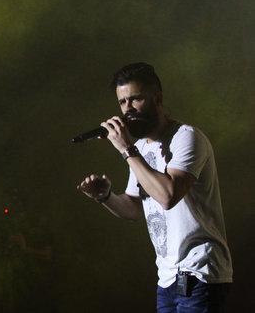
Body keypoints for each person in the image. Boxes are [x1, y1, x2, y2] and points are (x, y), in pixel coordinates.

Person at [76, 62, 233, 312]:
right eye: (122, 102)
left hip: (199, 271)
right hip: (168, 277)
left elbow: (168, 196)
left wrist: (127, 150)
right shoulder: (142, 149)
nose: (128, 109)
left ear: (157, 98)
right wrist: (105, 197)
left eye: (135, 99)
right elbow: (136, 208)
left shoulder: (186, 137)